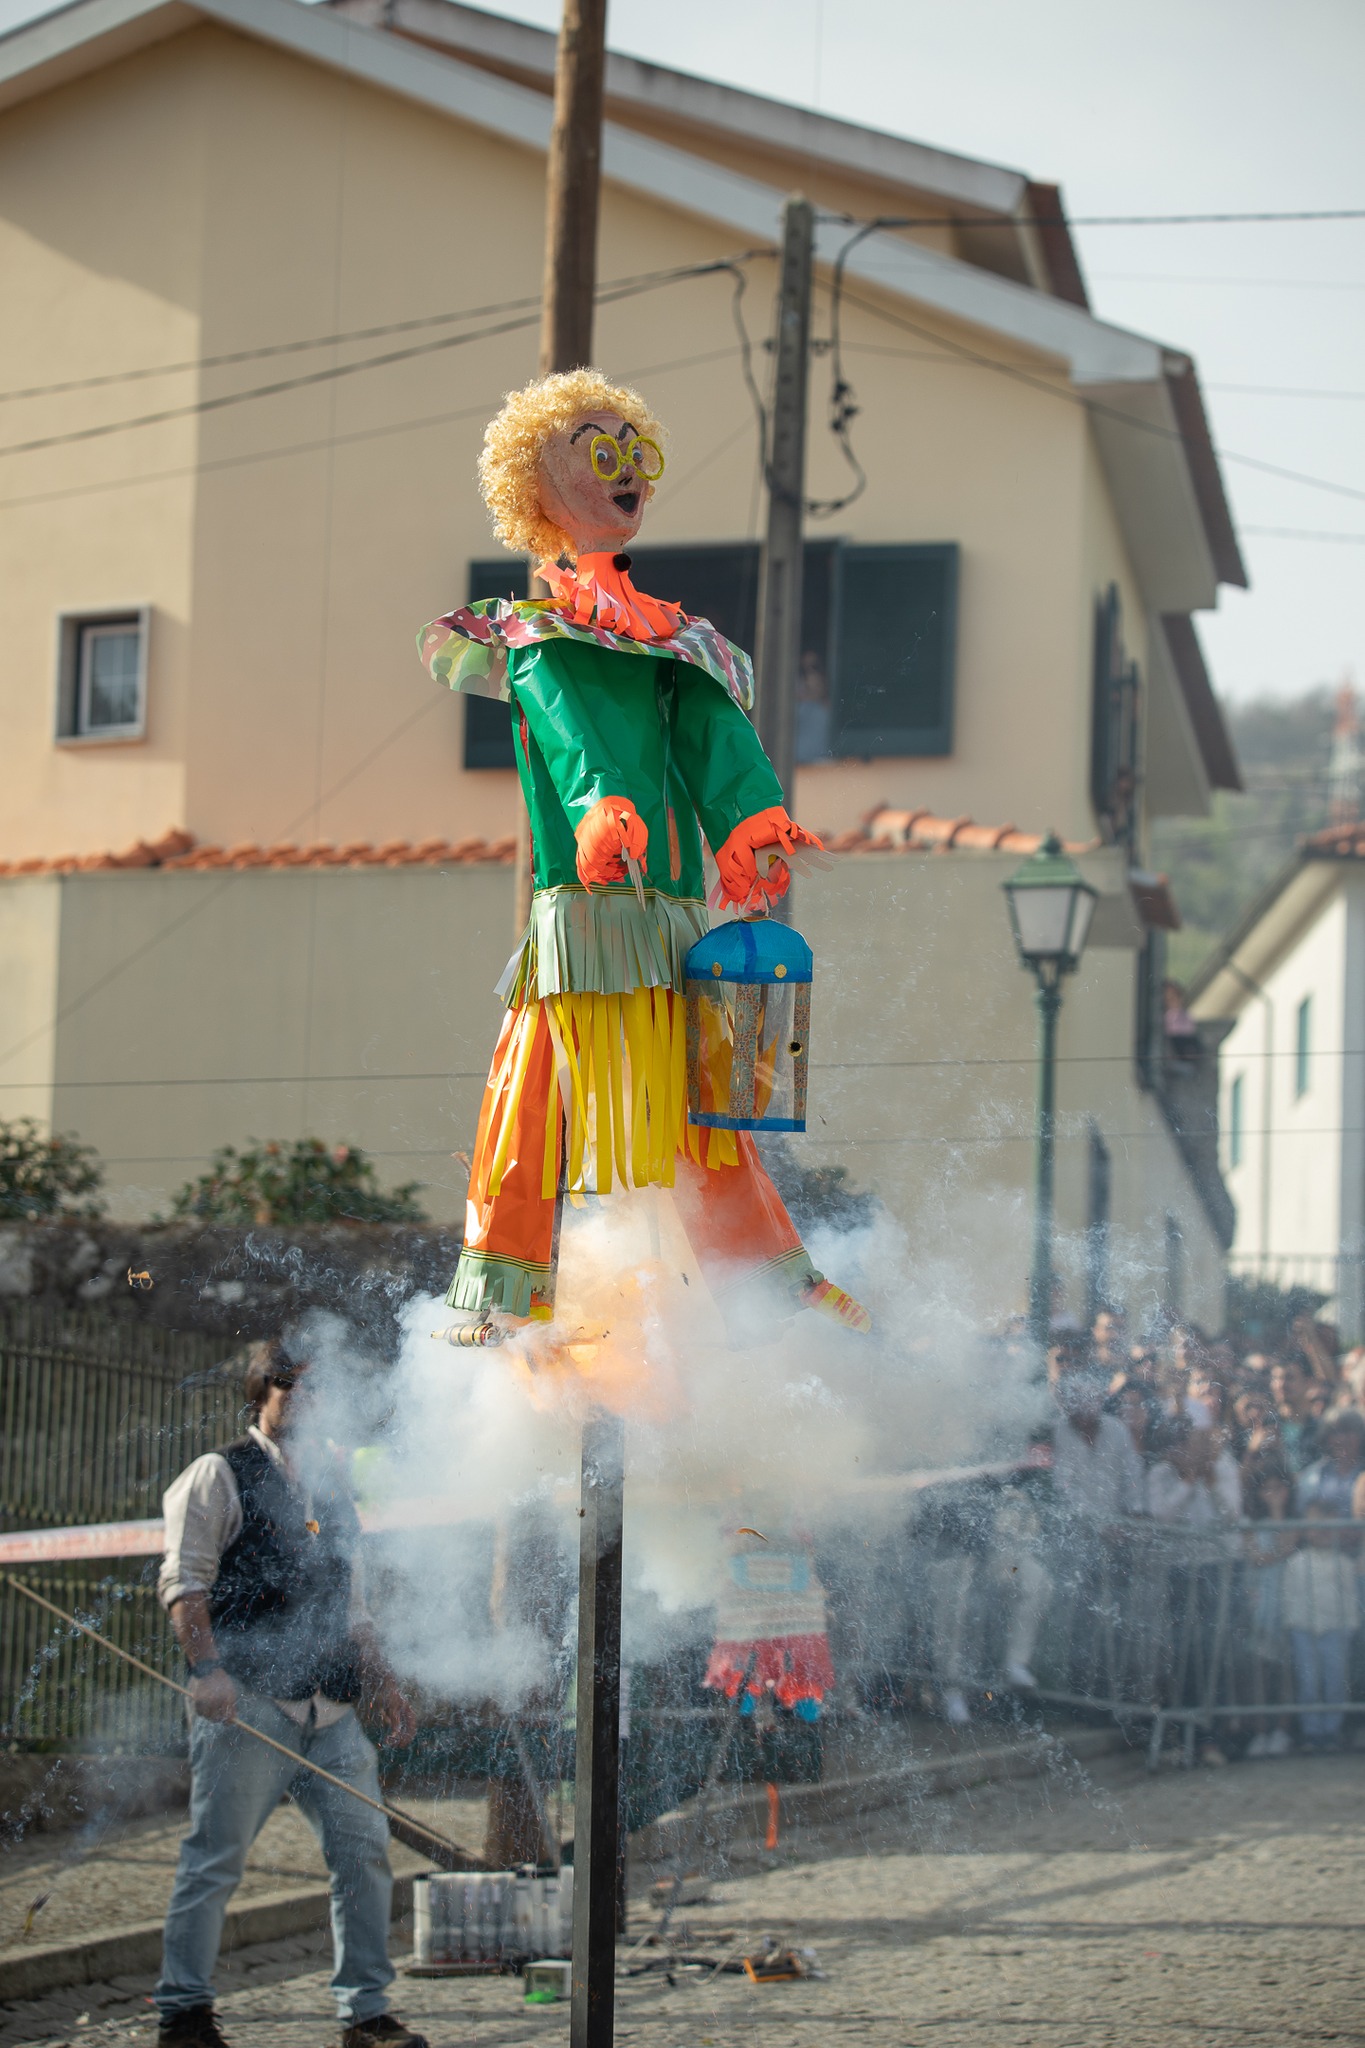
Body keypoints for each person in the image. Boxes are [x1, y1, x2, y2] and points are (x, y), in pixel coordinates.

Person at [155, 1339, 423, 2048]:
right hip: (249, 1701)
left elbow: (354, 1603)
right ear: (259, 1393)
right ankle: (183, 2011)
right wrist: (206, 1670)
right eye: (285, 1385)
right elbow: (186, 1584)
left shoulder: (335, 1486)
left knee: (363, 1855)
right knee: (215, 1859)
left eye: (313, 1387)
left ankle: (365, 2013)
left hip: (331, 1709)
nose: (301, 1398)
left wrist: (384, 1682)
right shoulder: (217, 1473)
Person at [1280, 1503, 1358, 1749]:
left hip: (1336, 1629)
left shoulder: (1345, 1563)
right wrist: (1291, 1624)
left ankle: (1331, 1731)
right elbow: (1289, 1596)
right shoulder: (1296, 1562)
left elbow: (1350, 1598)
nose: (1322, 1532)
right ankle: (1312, 1732)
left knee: (1335, 1681)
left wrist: (1351, 1626)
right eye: (1317, 1526)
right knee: (1309, 1682)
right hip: (1304, 1630)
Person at [1295, 1409, 1365, 1520]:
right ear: (1326, 1437)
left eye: (1349, 1431)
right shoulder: (1312, 1476)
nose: (1342, 1439)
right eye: (1336, 1432)